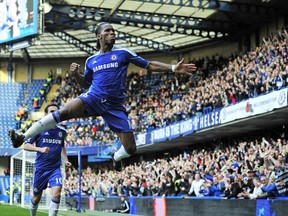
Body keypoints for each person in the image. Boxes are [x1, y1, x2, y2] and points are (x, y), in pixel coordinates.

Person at [8, 22, 197, 172]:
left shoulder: (123, 53)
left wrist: (172, 68)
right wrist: (76, 75)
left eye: (113, 31)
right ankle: (23, 136)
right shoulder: (91, 60)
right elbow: (86, 84)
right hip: (93, 97)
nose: (112, 33)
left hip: (114, 106)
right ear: (99, 36)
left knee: (131, 149)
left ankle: (116, 157)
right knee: (64, 111)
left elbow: (148, 65)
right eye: (108, 31)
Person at [23, 103, 71, 216]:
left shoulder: (62, 131)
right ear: (46, 114)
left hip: (55, 169)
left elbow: (62, 146)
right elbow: (26, 146)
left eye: (56, 111)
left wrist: (66, 160)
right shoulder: (38, 129)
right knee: (35, 198)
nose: (54, 114)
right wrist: (40, 149)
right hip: (41, 169)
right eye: (51, 111)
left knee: (57, 194)